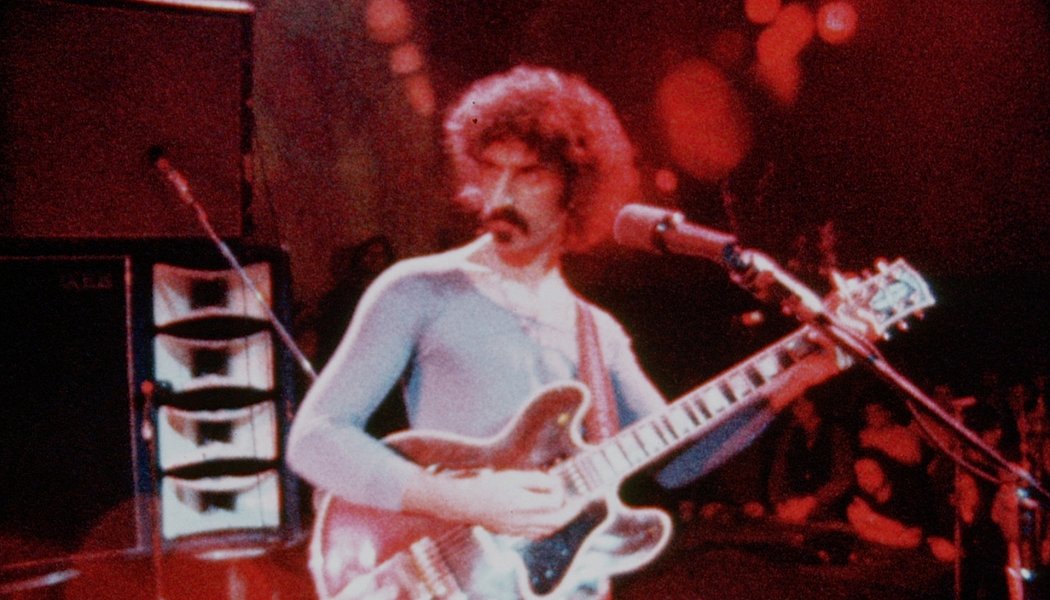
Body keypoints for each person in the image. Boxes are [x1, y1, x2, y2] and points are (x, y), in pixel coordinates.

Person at [287, 65, 842, 598]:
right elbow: (315, 439)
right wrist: (465, 501)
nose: (500, 196)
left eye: (528, 174)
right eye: (492, 170)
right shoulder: (419, 290)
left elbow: (678, 462)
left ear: (574, 189)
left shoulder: (598, 332)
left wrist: (800, 376)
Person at [768, 394, 853, 524]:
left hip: (828, 511)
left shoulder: (836, 433)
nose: (799, 409)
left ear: (814, 403)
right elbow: (777, 474)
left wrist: (814, 501)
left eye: (804, 403)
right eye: (795, 405)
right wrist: (779, 503)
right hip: (791, 509)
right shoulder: (789, 436)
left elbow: (844, 478)